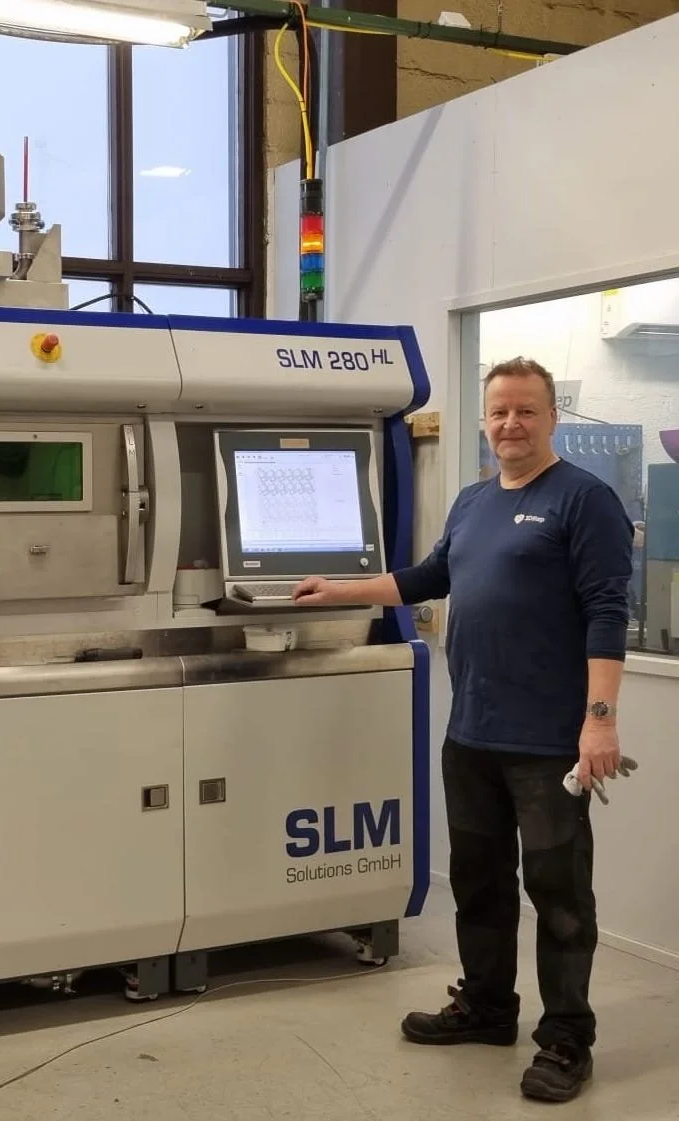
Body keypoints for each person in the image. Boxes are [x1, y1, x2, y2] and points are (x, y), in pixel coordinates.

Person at [294, 356, 633, 1103]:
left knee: (559, 893)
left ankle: (566, 1037)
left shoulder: (585, 500)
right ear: (484, 421)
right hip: (472, 734)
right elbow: (427, 578)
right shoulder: (473, 501)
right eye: (499, 411)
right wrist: (339, 589)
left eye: (526, 410)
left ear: (552, 418)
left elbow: (608, 613)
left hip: (549, 744)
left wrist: (599, 721)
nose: (511, 423)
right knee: (480, 883)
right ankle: (486, 1005)